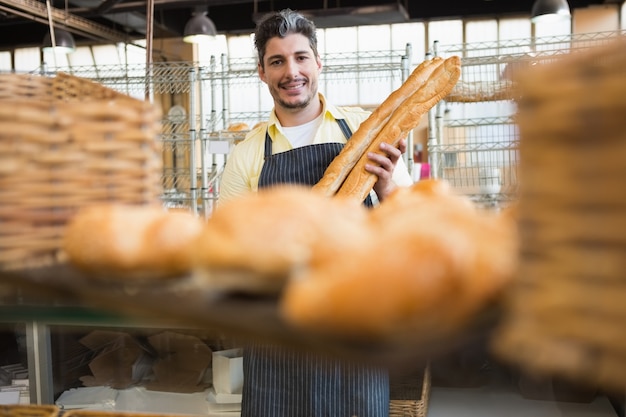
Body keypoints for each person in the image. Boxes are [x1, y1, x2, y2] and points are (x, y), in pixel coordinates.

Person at [218, 8, 413, 417]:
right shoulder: (247, 155)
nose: (292, 71)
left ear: (318, 63)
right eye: (277, 61)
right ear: (262, 72)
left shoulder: (368, 133)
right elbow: (226, 252)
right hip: (275, 336)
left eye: (301, 57)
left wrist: (387, 187)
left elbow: (415, 227)